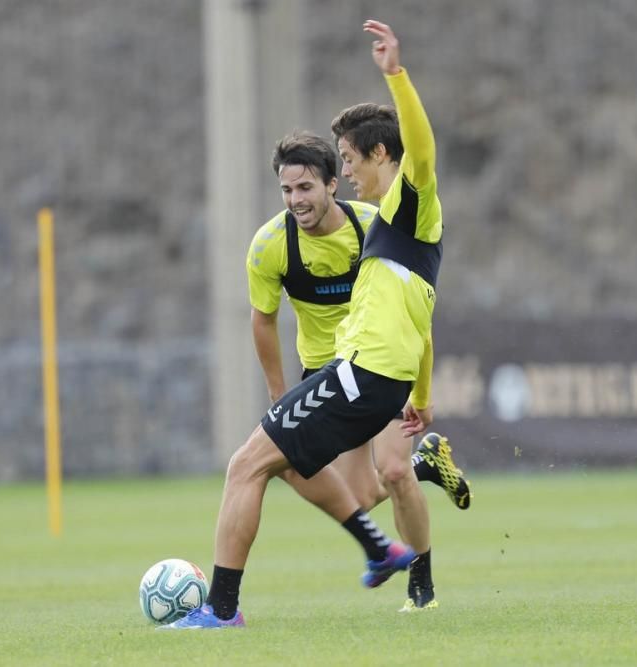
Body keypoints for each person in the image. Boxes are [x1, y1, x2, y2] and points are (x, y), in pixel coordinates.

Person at [161, 18, 446, 630]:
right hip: (372, 380)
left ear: (376, 157)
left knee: (247, 464)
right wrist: (420, 395)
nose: (347, 172)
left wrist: (395, 77)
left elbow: (420, 150)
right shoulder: (390, 224)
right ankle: (383, 532)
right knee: (322, 476)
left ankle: (220, 611)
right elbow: (419, 320)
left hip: (362, 376)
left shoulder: (407, 203)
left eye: (347, 160)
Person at [246, 129, 471, 612]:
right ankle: (425, 464)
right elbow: (262, 322)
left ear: (332, 185)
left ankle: (422, 586)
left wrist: (421, 389)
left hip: (377, 365)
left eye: (305, 188)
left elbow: (416, 306)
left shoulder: (374, 225)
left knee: (390, 471)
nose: (295, 200)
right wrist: (278, 393)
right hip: (323, 371)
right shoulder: (270, 246)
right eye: (286, 191)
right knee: (357, 497)